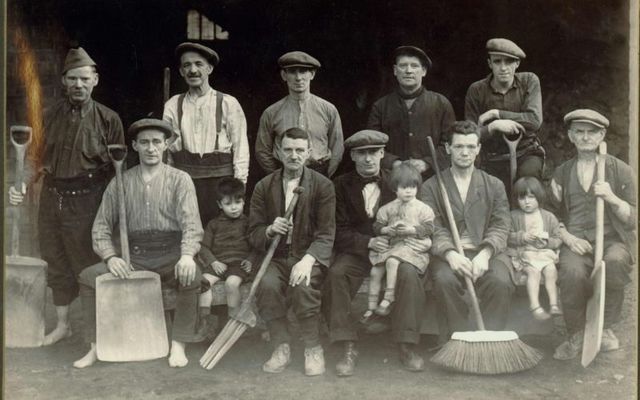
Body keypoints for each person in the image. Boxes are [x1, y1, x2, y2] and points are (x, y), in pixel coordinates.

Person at [8, 47, 124, 346]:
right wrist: (19, 183)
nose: (78, 85)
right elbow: (34, 159)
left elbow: (118, 170)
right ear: (63, 81)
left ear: (95, 80)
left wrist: (112, 208)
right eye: (72, 78)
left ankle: (95, 333)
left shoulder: (108, 119)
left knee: (86, 263)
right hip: (52, 197)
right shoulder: (48, 115)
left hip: (89, 199)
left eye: (84, 78)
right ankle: (62, 326)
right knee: (55, 261)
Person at [74, 119, 204, 369]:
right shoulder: (120, 182)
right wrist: (111, 257)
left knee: (192, 276)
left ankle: (178, 344)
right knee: (88, 277)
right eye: (144, 142)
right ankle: (95, 346)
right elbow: (101, 227)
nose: (151, 148)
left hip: (170, 254)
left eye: (157, 142)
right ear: (134, 146)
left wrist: (187, 255)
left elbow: (191, 224)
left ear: (167, 145)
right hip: (134, 257)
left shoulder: (180, 180)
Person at [323, 130, 432, 375]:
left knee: (408, 273)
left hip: (397, 249)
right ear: (352, 156)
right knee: (337, 274)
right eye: (362, 153)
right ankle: (346, 344)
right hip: (357, 250)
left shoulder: (400, 181)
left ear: (383, 153)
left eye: (373, 152)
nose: (368, 159)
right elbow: (336, 230)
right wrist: (368, 242)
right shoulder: (339, 185)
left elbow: (418, 217)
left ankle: (407, 343)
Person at [549, 109, 635, 360]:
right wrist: (567, 238)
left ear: (601, 136)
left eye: (592, 133)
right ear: (571, 136)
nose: (586, 137)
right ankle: (575, 333)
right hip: (575, 241)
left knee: (615, 262)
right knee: (572, 272)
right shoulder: (562, 173)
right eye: (580, 132)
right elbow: (550, 215)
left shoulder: (620, 171)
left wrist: (611, 197)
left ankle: (604, 328)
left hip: (612, 240)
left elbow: (633, 218)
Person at [249, 127, 336, 376]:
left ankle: (312, 347)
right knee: (266, 285)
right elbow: (252, 231)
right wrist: (268, 230)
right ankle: (281, 345)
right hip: (274, 258)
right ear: (278, 151)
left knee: (302, 285)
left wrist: (308, 260)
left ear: (309, 152)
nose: (294, 155)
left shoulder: (323, 186)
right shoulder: (263, 186)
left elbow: (326, 233)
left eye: (300, 150)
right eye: (288, 149)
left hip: (307, 256)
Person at [419, 121, 514, 344]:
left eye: (471, 147)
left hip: (486, 251)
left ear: (479, 149)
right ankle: (457, 341)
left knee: (500, 282)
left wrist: (485, 253)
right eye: (459, 146)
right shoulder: (431, 186)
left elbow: (501, 224)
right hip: (448, 254)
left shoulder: (494, 184)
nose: (465, 152)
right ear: (448, 148)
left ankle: (492, 342)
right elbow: (433, 227)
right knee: (444, 281)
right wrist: (450, 254)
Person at [163, 42, 249, 226]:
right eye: (186, 65)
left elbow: (241, 148)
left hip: (221, 183)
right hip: (185, 182)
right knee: (188, 232)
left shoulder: (228, 103)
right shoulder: (172, 105)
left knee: (219, 236)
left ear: (209, 68)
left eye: (198, 64)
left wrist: (238, 187)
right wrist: (167, 185)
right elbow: (167, 152)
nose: (192, 70)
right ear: (180, 71)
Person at [465, 38, 544, 189]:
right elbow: (470, 135)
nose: (503, 68)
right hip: (491, 160)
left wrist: (497, 113)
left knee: (527, 190)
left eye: (509, 62)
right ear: (490, 64)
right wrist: (493, 126)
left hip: (526, 154)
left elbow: (534, 120)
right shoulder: (476, 90)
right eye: (497, 61)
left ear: (517, 64)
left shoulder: (529, 81)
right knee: (494, 199)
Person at [368, 45, 455, 178]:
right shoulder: (380, 106)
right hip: (392, 179)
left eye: (414, 66)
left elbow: (451, 144)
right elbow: (372, 145)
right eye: (403, 66)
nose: (408, 71)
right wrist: (394, 163)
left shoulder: (441, 104)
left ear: (424, 71)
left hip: (432, 178)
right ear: (395, 70)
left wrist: (426, 163)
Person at [255, 51, 344, 177]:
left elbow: (337, 148)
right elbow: (262, 151)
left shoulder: (328, 109)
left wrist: (325, 177)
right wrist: (279, 176)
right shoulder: (271, 112)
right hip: (284, 173)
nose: (298, 78)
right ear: (284, 75)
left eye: (303, 71)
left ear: (312, 74)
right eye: (292, 72)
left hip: (319, 172)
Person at [364, 162, 434, 321]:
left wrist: (413, 230)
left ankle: (389, 297)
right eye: (404, 187)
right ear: (395, 188)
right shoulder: (387, 208)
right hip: (392, 245)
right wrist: (385, 230)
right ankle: (371, 307)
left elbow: (429, 228)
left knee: (392, 262)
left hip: (412, 247)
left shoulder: (423, 208)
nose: (409, 191)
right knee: (375, 271)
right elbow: (377, 225)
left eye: (412, 186)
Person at [197, 177, 257, 329]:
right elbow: (203, 247)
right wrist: (213, 262)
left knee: (231, 284)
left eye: (238, 202)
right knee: (203, 283)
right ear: (220, 205)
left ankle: (234, 316)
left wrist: (250, 260)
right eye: (228, 204)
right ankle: (204, 319)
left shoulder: (248, 223)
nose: (234, 208)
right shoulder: (214, 224)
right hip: (219, 264)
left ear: (244, 201)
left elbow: (257, 246)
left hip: (238, 265)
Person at [506, 176, 562, 321]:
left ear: (539, 197)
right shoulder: (513, 216)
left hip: (544, 254)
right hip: (525, 255)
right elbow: (505, 236)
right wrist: (521, 237)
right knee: (533, 273)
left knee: (551, 271)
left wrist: (547, 242)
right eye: (522, 198)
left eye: (531, 197)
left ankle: (554, 304)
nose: (527, 202)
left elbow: (558, 238)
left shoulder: (548, 217)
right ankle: (535, 306)